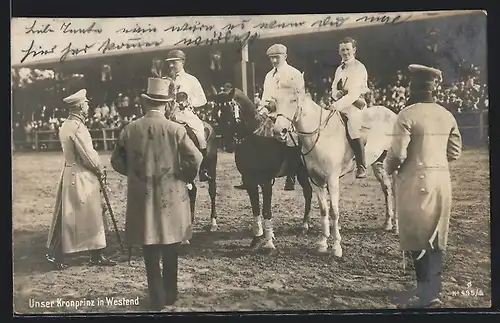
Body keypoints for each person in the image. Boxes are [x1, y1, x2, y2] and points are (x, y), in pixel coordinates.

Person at [110, 77, 203, 311]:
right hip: (172, 194)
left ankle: (156, 297)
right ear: (166, 104)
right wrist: (183, 175)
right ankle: (171, 294)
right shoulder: (176, 129)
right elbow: (196, 158)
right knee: (171, 245)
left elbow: (116, 161)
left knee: (149, 247)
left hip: (142, 196)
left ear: (145, 103)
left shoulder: (130, 129)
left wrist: (134, 173)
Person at [385, 64, 462, 308]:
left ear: (413, 87)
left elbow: (396, 154)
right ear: (432, 88)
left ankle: (426, 295)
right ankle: (433, 291)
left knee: (417, 235)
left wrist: (389, 169)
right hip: (442, 180)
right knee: (437, 235)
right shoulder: (446, 114)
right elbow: (455, 152)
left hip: (416, 180)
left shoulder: (406, 114)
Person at [45, 89, 116, 270]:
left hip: (71, 172)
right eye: (85, 104)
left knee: (75, 214)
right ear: (79, 107)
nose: (87, 107)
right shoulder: (78, 127)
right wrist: (100, 168)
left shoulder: (66, 125)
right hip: (82, 174)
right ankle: (83, 254)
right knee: (88, 215)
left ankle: (91, 253)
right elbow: (88, 155)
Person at [260, 43, 306, 191]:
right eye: (271, 58)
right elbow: (265, 97)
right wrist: (264, 108)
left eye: (276, 57)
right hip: (271, 114)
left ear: (285, 56)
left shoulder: (294, 73)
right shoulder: (269, 76)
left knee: (292, 140)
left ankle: (291, 174)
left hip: (288, 114)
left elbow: (298, 97)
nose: (274, 61)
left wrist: (284, 109)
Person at [326, 37, 371, 179]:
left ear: (354, 50)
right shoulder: (340, 68)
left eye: (347, 49)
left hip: (355, 104)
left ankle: (361, 165)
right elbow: (333, 87)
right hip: (341, 103)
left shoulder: (359, 67)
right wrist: (335, 94)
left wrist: (336, 105)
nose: (345, 52)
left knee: (352, 125)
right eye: (342, 50)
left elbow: (352, 95)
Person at [165, 49, 210, 181]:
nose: (172, 65)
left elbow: (203, 99)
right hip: (168, 116)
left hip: (186, 115)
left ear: (182, 62)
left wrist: (189, 102)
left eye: (174, 62)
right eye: (170, 63)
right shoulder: (166, 80)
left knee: (200, 134)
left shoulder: (191, 80)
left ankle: (203, 168)